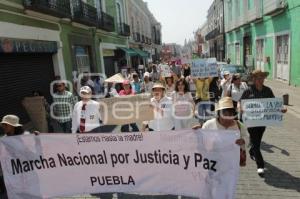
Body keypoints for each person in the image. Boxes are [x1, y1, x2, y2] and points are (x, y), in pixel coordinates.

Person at [239, 69, 287, 177]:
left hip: (262, 122)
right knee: (256, 144)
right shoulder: (248, 91)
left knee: (257, 142)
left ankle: (252, 150)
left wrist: (282, 109)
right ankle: (260, 166)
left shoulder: (268, 90)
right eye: (258, 78)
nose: (261, 80)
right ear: (254, 79)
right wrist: (240, 109)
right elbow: (240, 103)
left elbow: (274, 104)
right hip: (251, 122)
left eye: (262, 78)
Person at [0, 115, 37, 199]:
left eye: (6, 124)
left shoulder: (26, 137)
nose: (3, 127)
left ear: (13, 126)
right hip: (15, 180)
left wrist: (37, 140)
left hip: (29, 176)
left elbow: (34, 156)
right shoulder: (3, 140)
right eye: (3, 125)